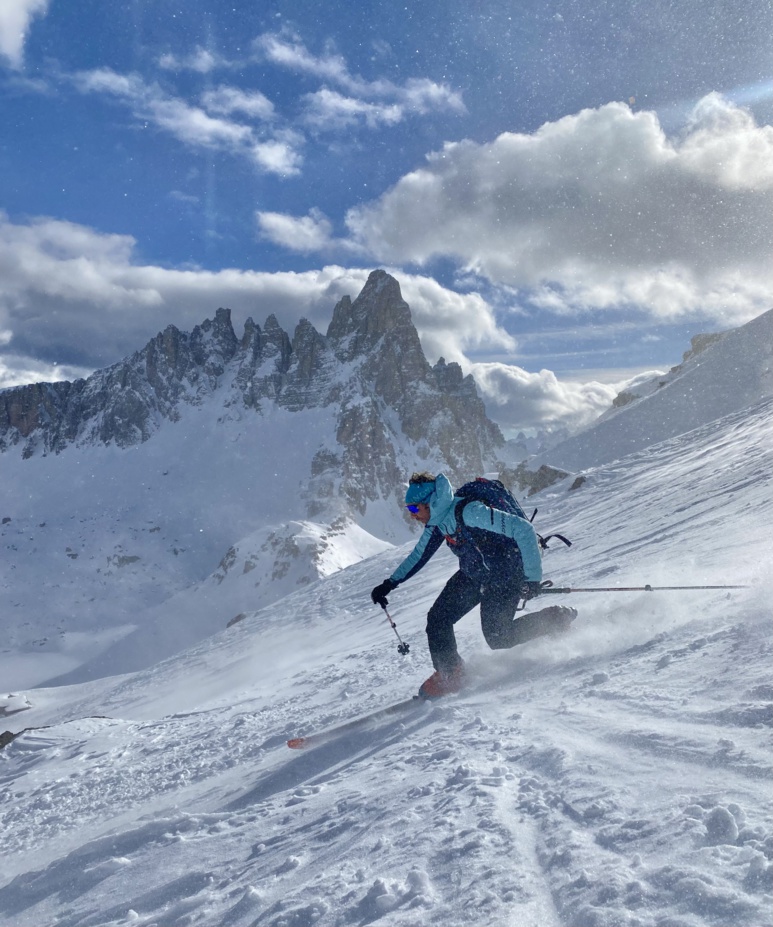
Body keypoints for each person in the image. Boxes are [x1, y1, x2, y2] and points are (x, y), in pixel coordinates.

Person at [370, 472, 576, 698]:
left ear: (432, 502)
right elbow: (419, 554)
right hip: (475, 573)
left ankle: (555, 619)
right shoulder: (438, 523)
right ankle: (452, 674)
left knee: (498, 636)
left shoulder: (469, 512)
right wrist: (389, 584)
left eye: (414, 509)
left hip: (505, 572)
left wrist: (532, 577)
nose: (412, 515)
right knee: (438, 619)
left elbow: (523, 529)